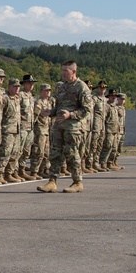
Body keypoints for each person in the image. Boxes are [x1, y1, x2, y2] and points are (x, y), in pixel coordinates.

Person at [36, 61, 92, 194]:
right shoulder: (62, 87)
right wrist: (51, 112)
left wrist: (71, 115)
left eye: (66, 71)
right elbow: (60, 107)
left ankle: (77, 182)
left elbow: (87, 109)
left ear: (73, 72)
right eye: (62, 70)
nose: (63, 73)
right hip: (59, 126)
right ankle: (52, 181)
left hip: (73, 128)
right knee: (55, 153)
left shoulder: (82, 87)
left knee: (72, 154)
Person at [0, 78, 21, 183]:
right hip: (7, 129)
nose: (17, 89)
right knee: (5, 152)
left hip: (16, 129)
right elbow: (0, 114)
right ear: (9, 87)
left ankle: (9, 173)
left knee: (15, 153)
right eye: (14, 86)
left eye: (18, 87)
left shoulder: (17, 98)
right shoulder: (5, 98)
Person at [30, 83, 54, 178]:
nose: (48, 92)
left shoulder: (48, 102)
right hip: (40, 129)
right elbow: (35, 117)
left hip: (47, 129)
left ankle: (43, 170)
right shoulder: (39, 102)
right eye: (46, 90)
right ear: (42, 91)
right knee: (38, 151)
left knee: (46, 152)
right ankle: (34, 171)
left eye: (49, 90)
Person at [16, 75, 37, 179]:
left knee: (26, 151)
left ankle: (21, 170)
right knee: (19, 150)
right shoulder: (20, 95)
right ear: (24, 84)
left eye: (32, 83)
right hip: (22, 126)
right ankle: (14, 171)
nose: (31, 85)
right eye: (29, 83)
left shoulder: (31, 96)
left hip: (30, 127)